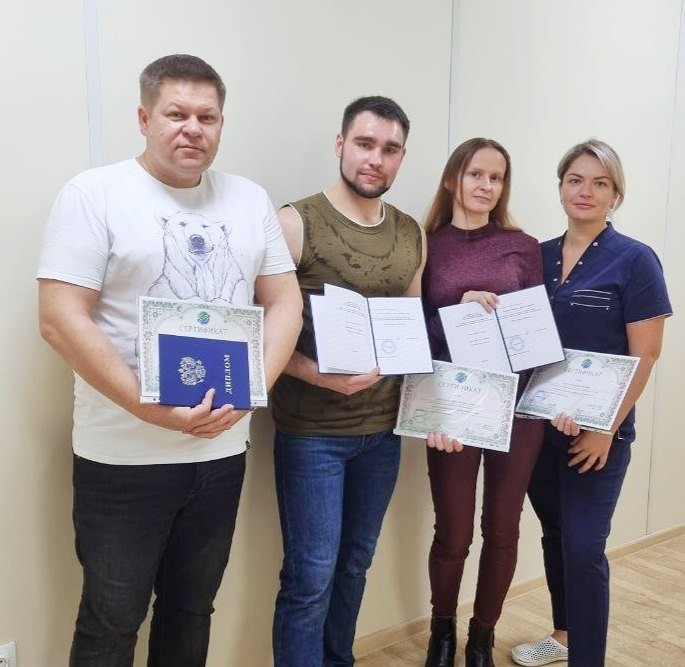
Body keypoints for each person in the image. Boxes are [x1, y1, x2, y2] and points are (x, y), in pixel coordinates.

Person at [36, 54, 302, 667]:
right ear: (144, 118)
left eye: (207, 117)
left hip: (220, 453)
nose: (193, 129)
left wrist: (252, 390)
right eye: (176, 114)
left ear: (221, 123)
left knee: (191, 610)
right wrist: (149, 409)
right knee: (111, 619)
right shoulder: (94, 194)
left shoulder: (249, 199)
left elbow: (285, 301)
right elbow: (59, 318)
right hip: (123, 456)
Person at [270, 96, 426, 667]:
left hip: (383, 434)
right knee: (310, 576)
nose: (375, 159)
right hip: (312, 433)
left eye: (389, 149)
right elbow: (256, 328)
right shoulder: (294, 223)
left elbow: (410, 326)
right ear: (340, 145)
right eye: (364, 144)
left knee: (355, 565)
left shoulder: (411, 232)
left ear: (401, 157)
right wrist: (315, 375)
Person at [511, 139, 671, 667]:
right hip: (538, 429)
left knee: (582, 548)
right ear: (560, 187)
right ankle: (564, 636)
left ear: (615, 194)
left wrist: (605, 429)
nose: (586, 191)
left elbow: (646, 354)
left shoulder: (635, 260)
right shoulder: (537, 256)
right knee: (555, 535)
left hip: (597, 436)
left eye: (600, 183)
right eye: (576, 179)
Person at [421, 138, 545, 667]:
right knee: (453, 532)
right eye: (476, 174)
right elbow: (414, 331)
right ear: (453, 178)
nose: (486, 186)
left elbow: (537, 333)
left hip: (516, 409)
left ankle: (481, 637)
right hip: (452, 408)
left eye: (496, 178)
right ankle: (442, 632)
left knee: (503, 529)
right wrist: (460, 313)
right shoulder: (426, 245)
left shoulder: (523, 246)